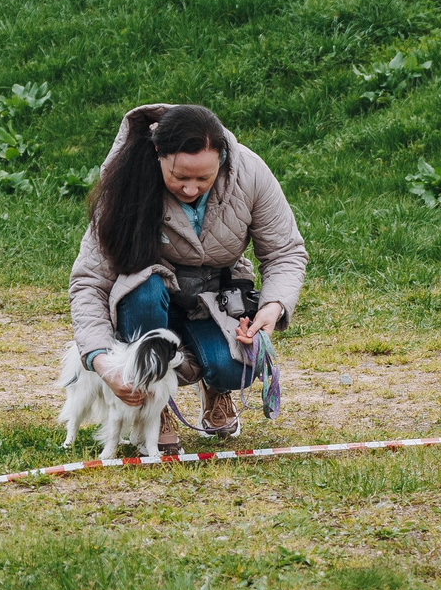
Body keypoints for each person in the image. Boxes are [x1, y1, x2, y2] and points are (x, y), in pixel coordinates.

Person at [71, 104, 305, 446]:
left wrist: (273, 307)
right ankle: (152, 401)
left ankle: (216, 389)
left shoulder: (251, 173)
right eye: (180, 177)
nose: (192, 189)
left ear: (223, 160)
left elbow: (285, 252)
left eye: (203, 179)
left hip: (213, 299)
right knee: (143, 288)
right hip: (149, 300)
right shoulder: (124, 183)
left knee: (236, 368)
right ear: (157, 154)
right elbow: (88, 282)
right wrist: (102, 361)